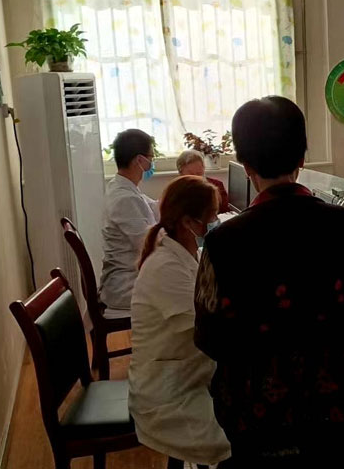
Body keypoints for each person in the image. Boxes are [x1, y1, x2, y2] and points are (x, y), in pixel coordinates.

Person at [194, 96, 344, 469]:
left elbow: (210, 337)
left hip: (257, 416)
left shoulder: (223, 241)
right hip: (337, 410)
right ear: (302, 158)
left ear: (246, 165)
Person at [129, 175, 230, 468]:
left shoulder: (184, 254)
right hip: (167, 396)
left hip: (188, 376)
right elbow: (211, 328)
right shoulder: (166, 268)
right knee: (242, 436)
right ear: (188, 222)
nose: (215, 222)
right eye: (212, 216)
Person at [99, 129, 159, 317]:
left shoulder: (124, 187)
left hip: (130, 276)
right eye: (151, 158)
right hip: (126, 286)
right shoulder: (124, 198)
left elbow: (155, 208)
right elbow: (149, 245)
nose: (152, 163)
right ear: (139, 160)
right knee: (187, 291)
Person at [177, 149, 230, 213]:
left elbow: (226, 212)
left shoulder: (217, 185)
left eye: (199, 173)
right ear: (181, 174)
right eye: (191, 175)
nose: (196, 178)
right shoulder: (175, 192)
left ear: (203, 168)